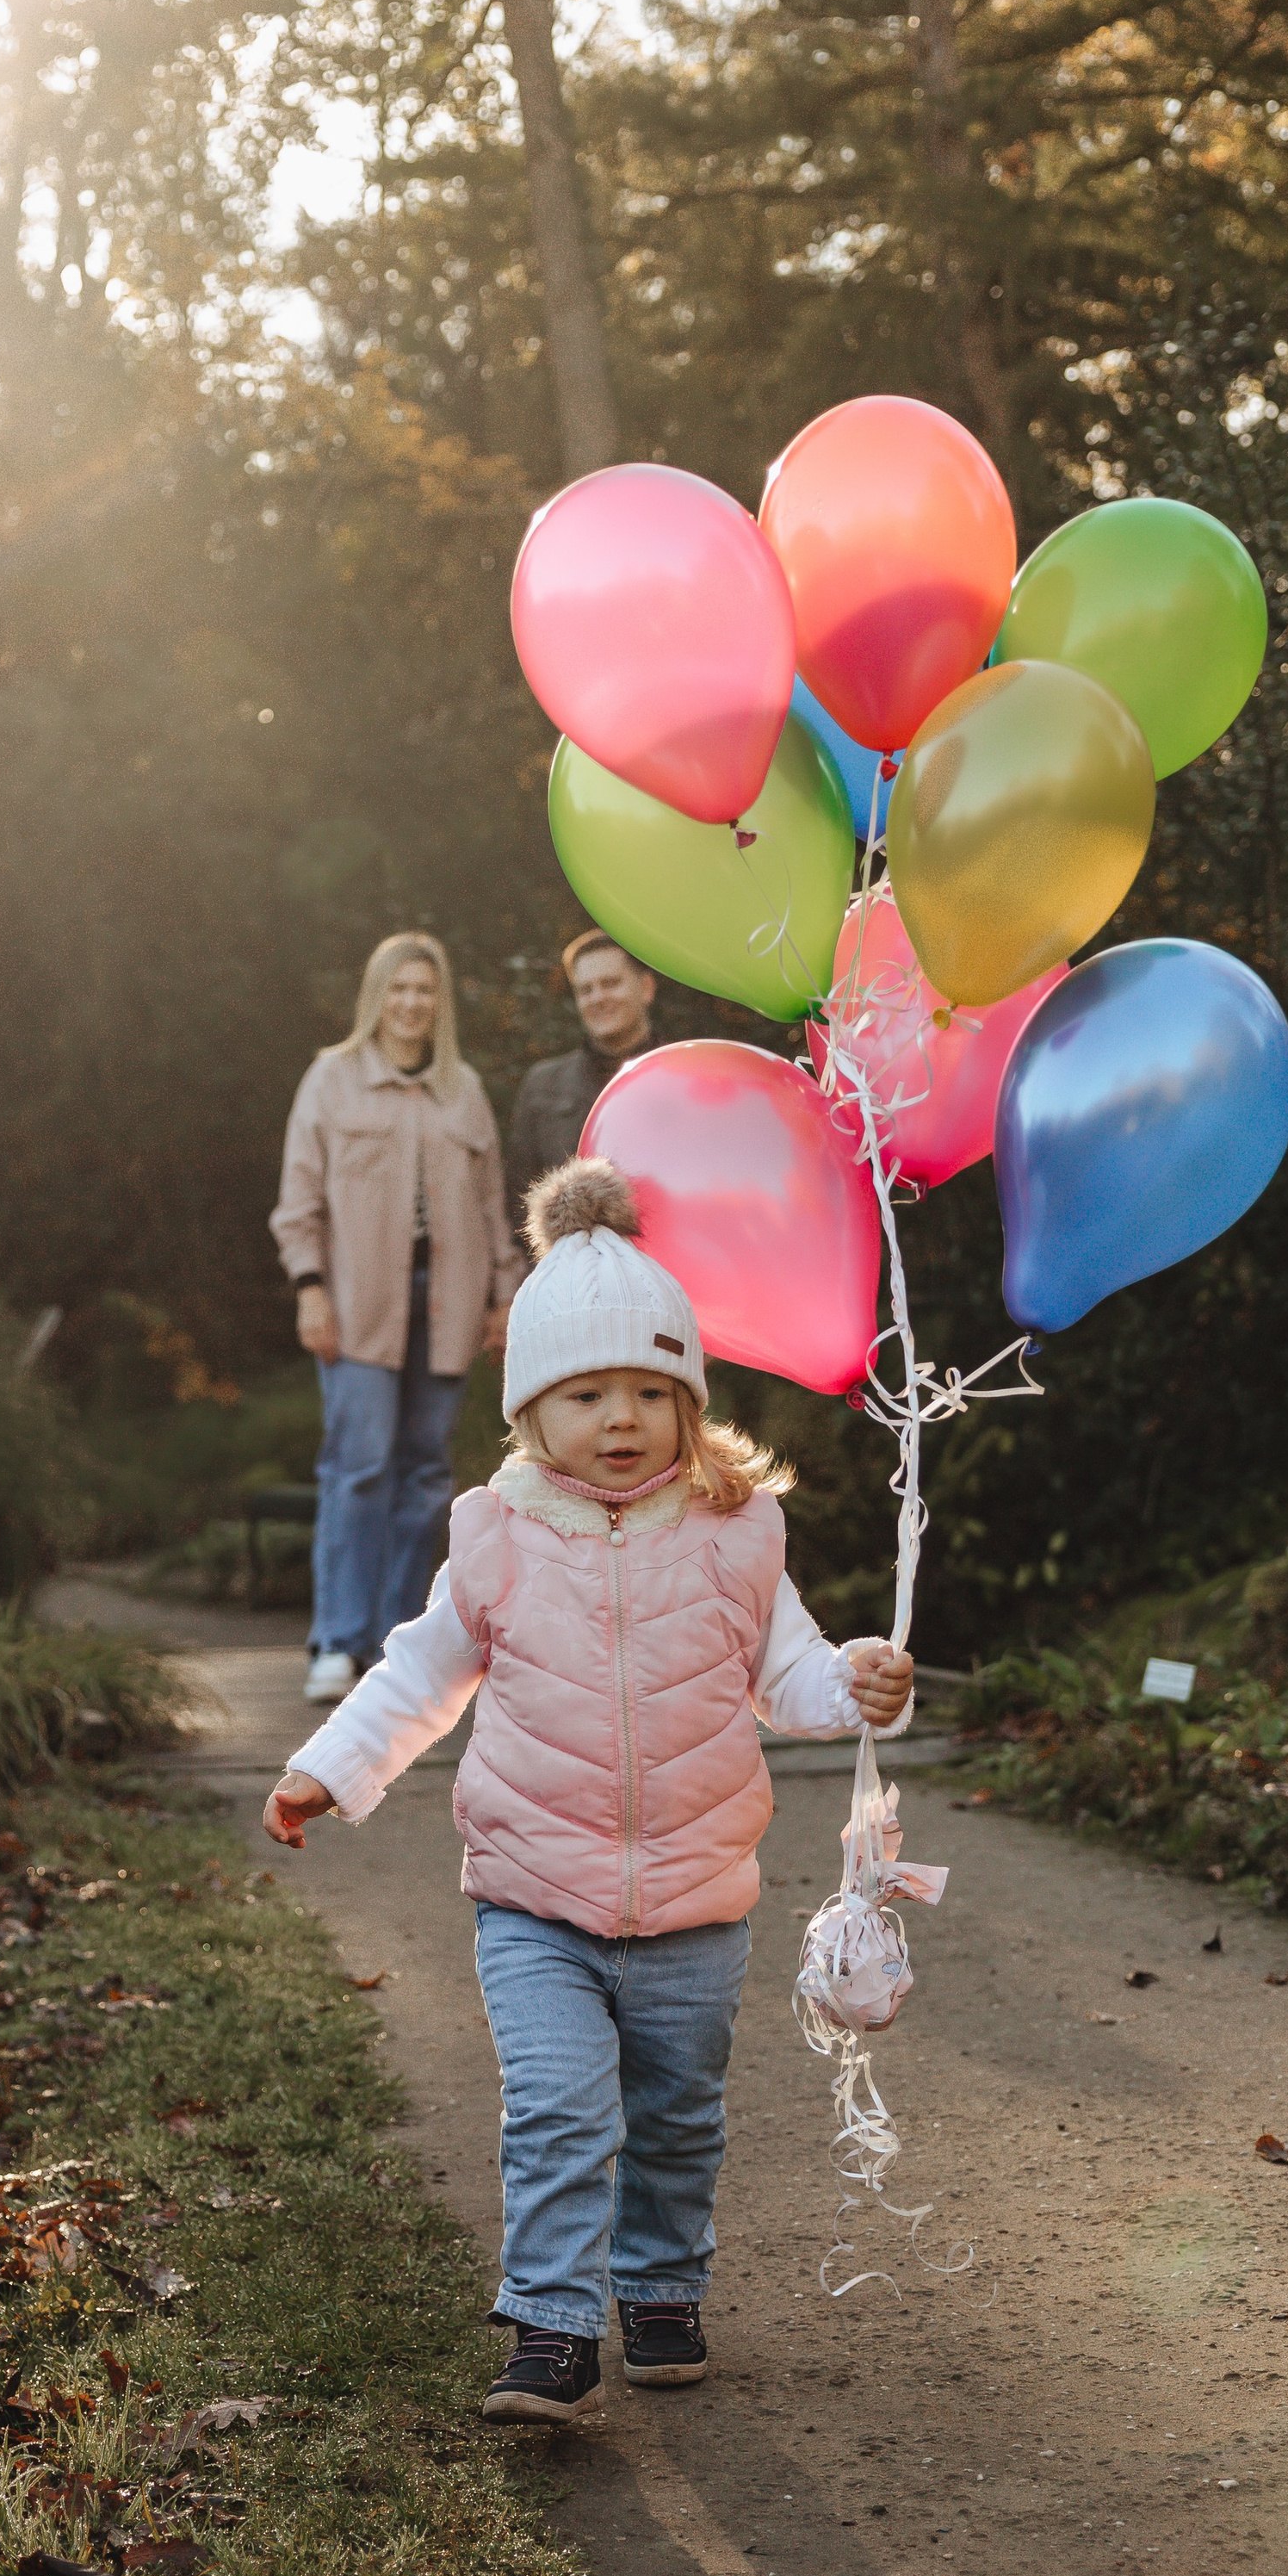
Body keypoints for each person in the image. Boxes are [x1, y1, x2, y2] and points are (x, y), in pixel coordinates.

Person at [261, 1157, 914, 2424]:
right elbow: (419, 1675)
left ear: (688, 1403)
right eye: (586, 1393)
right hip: (534, 1900)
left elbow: (789, 1673)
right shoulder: (496, 1538)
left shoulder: (734, 1536)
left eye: (650, 1392)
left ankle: (661, 2289)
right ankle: (551, 2326)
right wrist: (327, 1769)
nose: (621, 1418)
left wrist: (856, 1682)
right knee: (558, 2113)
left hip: (696, 1903)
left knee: (676, 2118)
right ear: (529, 1412)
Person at [270, 932, 516, 1708]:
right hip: (357, 1306)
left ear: (440, 1003)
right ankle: (337, 1642)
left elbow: (492, 1206)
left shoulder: (463, 1090)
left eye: (425, 990)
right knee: (360, 1466)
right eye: (399, 989)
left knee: (426, 1474)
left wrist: (504, 1296)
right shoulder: (331, 1079)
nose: (412, 1003)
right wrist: (310, 1288)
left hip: (448, 1305)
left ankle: (395, 1646)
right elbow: (298, 1201)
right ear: (376, 998)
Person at [504, 931, 661, 1227]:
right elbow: (519, 1202)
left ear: (646, 988)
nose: (598, 998)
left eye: (611, 984)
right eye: (586, 990)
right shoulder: (542, 1086)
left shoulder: (682, 1077)